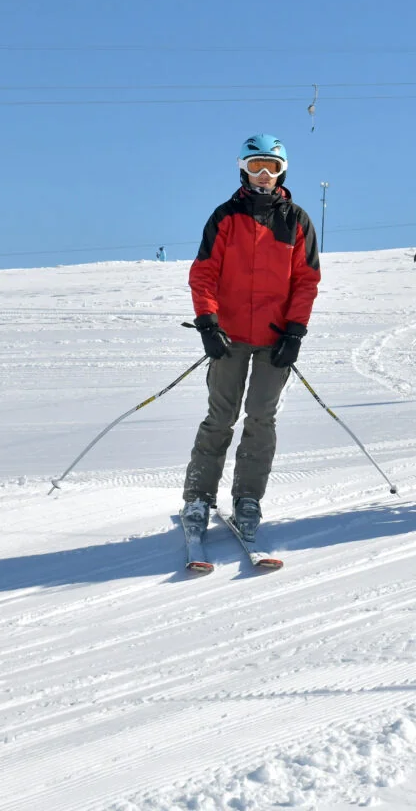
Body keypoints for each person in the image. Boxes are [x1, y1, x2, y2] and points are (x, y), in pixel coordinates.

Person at [181, 133, 321, 543]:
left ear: (282, 172)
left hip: (274, 341)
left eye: (272, 167)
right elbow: (204, 272)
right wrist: (208, 323)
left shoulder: (296, 220)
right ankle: (198, 497)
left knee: (261, 417)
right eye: (256, 166)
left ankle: (248, 497)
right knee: (220, 417)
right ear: (243, 169)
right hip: (229, 338)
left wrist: (295, 332)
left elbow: (306, 281)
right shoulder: (226, 216)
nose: (264, 175)